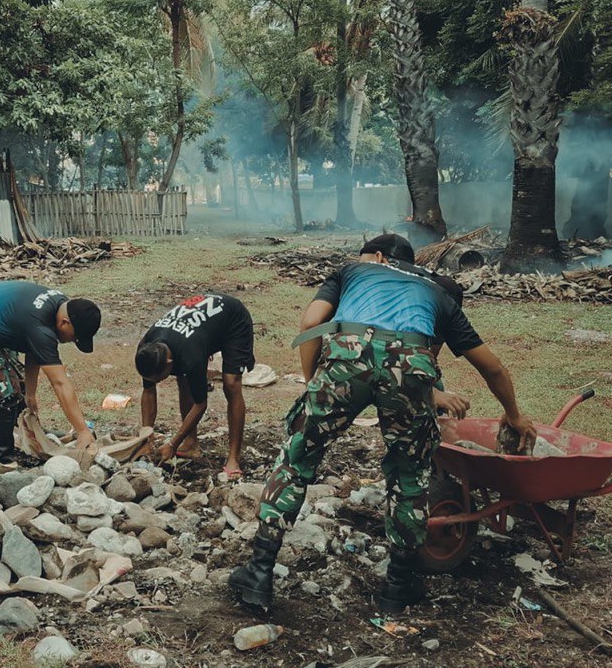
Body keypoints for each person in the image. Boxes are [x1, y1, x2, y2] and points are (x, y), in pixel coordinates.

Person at [228, 234, 536, 616]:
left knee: (297, 458)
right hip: (410, 364)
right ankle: (398, 586)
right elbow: (492, 367)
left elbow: (311, 322)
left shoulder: (353, 270)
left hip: (346, 355)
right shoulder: (439, 293)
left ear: (377, 257)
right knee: (409, 475)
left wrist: (314, 385)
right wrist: (514, 414)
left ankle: (258, 574)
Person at [0, 280, 102, 463]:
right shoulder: (41, 326)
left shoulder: (62, 306)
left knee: (20, 383)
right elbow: (60, 383)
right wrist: (82, 431)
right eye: (74, 338)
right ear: (65, 323)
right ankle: (5, 454)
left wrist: (31, 394)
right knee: (3, 387)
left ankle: (25, 433)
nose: (71, 341)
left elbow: (34, 349)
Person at [134, 293, 255, 478]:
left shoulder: (191, 354)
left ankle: (233, 457)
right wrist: (146, 440)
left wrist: (173, 444)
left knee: (231, 384)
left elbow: (201, 404)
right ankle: (191, 444)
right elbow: (148, 391)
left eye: (160, 378)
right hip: (201, 329)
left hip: (232, 320)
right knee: (184, 380)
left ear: (169, 362)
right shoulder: (147, 348)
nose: (157, 382)